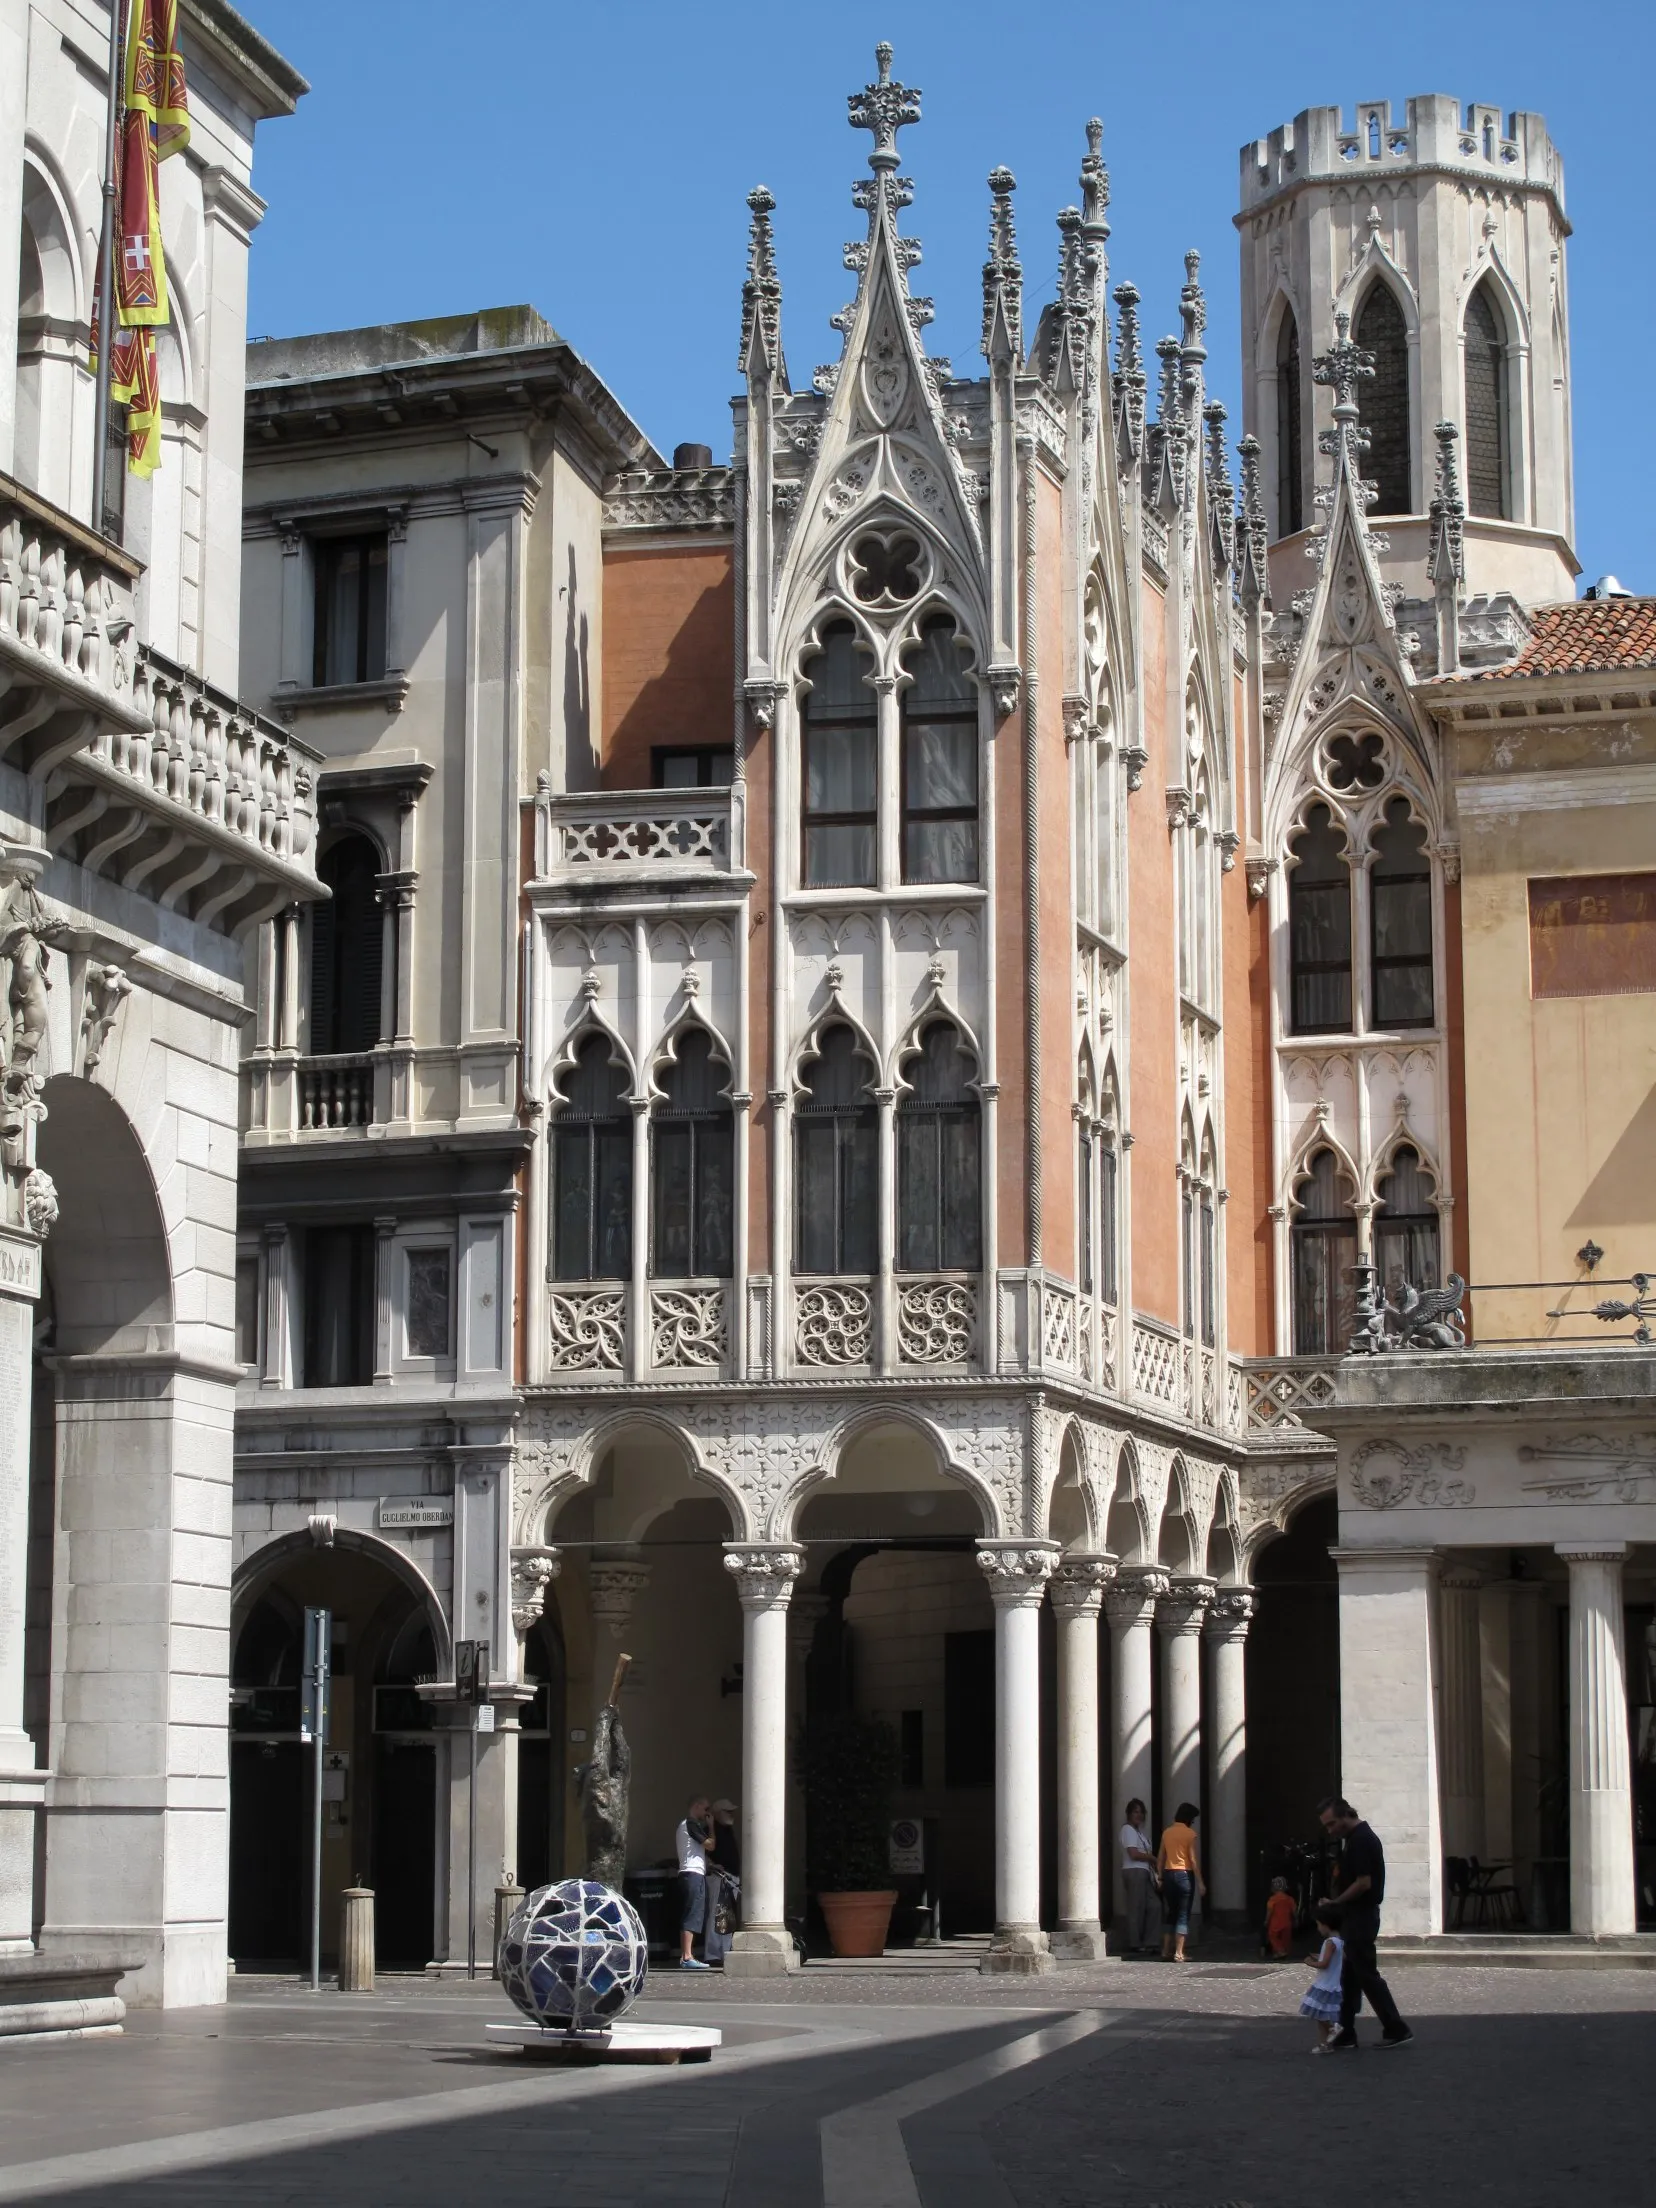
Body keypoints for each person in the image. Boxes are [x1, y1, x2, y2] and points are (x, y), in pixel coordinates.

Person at [1316, 1795, 1414, 2049]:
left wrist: (1336, 1902)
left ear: (1347, 1814)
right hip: (1357, 1915)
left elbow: (1363, 1883)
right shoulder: (1357, 1839)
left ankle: (1396, 2027)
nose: (1330, 1830)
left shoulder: (1360, 1840)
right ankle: (1346, 2032)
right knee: (1349, 1977)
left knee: (1366, 1974)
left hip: (1360, 1915)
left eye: (1332, 1824)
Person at [1156, 1801, 1205, 1961]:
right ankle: (1179, 1952)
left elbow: (1160, 1858)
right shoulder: (1190, 1834)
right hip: (1184, 1874)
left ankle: (1165, 1950)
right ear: (1189, 1818)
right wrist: (1200, 1882)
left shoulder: (1167, 1832)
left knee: (1171, 1913)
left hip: (1169, 1874)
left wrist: (1160, 1877)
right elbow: (1192, 1859)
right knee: (1183, 1914)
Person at [1299, 1902, 1345, 2052]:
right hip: (1331, 1984)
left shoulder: (1330, 1942)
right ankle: (1324, 2044)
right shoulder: (1339, 1941)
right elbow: (1340, 1958)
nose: (1318, 1928)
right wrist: (1320, 1956)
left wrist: (1310, 1963)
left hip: (1325, 1984)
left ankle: (1333, 2028)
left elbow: (1324, 1964)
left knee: (1317, 2011)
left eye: (1319, 1925)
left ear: (1326, 1925)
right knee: (1321, 2014)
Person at [674, 1795, 713, 1970]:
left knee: (691, 1912)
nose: (707, 1813)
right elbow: (710, 1845)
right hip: (692, 1874)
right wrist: (712, 1827)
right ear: (696, 1806)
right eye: (705, 1809)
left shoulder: (685, 1826)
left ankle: (687, 1955)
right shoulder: (691, 1824)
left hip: (689, 1872)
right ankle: (687, 1956)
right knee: (692, 1913)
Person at [703, 1798, 741, 1966]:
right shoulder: (710, 1830)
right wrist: (711, 1865)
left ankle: (724, 1950)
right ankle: (713, 1953)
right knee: (716, 1915)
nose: (731, 1815)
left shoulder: (728, 1830)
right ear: (717, 1813)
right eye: (727, 1811)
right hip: (719, 1877)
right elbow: (703, 1851)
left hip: (731, 1877)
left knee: (727, 1916)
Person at [1119, 1799, 1158, 1955]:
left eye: (1141, 1812)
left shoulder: (1140, 1832)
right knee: (1136, 1908)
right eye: (1135, 1811)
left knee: (1155, 1906)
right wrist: (1152, 1858)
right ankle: (1135, 1942)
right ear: (1129, 1813)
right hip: (1134, 1870)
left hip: (1144, 1871)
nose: (1139, 1815)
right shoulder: (1127, 1830)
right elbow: (1133, 1853)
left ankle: (1151, 1941)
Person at [1264, 1874, 1297, 1959]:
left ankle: (1280, 1951)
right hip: (1287, 1922)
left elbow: (1269, 1911)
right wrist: (1296, 1920)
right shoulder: (1290, 1899)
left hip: (1275, 1923)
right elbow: (1294, 1911)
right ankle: (1284, 1951)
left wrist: (1266, 1921)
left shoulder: (1273, 1899)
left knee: (1273, 1936)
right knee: (1286, 1938)